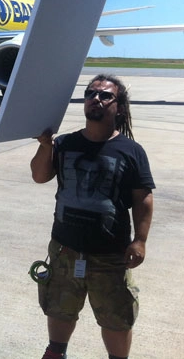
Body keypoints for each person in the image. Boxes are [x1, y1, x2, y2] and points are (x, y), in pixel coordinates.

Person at [30, 74, 155, 359]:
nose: (95, 99)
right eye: (90, 94)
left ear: (119, 107)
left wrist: (140, 240)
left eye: (105, 95)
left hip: (110, 254)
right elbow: (39, 176)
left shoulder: (131, 151)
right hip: (65, 248)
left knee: (117, 317)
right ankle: (55, 352)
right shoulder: (64, 144)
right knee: (60, 307)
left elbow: (143, 198)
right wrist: (46, 146)